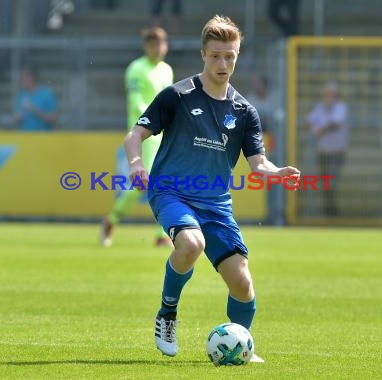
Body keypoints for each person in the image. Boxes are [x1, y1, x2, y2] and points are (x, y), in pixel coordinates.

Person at [123, 15, 301, 362]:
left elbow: (258, 163)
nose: (223, 64)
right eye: (216, 55)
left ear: (238, 55)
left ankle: (242, 346)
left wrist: (276, 171)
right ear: (203, 54)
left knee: (242, 283)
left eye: (230, 56)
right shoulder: (177, 96)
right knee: (191, 243)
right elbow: (135, 135)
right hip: (172, 192)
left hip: (216, 204)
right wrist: (135, 163)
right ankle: (167, 314)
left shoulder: (245, 112)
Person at [101, 26, 174, 248]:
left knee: (164, 183)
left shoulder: (167, 70)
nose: (159, 49)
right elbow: (136, 103)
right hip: (144, 136)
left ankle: (162, 234)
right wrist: (154, 121)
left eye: (162, 45)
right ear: (146, 47)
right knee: (143, 183)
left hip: (164, 135)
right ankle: (111, 219)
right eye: (154, 45)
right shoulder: (136, 69)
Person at [306, 81, 349, 217]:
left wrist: (320, 128)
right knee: (325, 185)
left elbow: (335, 123)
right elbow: (309, 120)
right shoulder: (320, 107)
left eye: (332, 94)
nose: (329, 97)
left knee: (331, 183)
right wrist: (317, 127)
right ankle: (329, 213)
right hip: (323, 152)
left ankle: (333, 212)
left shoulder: (341, 107)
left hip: (337, 152)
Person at [14, 66, 58, 131]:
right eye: (22, 77)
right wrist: (18, 118)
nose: (22, 80)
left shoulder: (47, 94)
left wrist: (34, 110)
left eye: (24, 77)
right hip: (24, 138)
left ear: (32, 77)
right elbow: (17, 118)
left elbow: (53, 119)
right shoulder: (21, 95)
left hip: (42, 138)